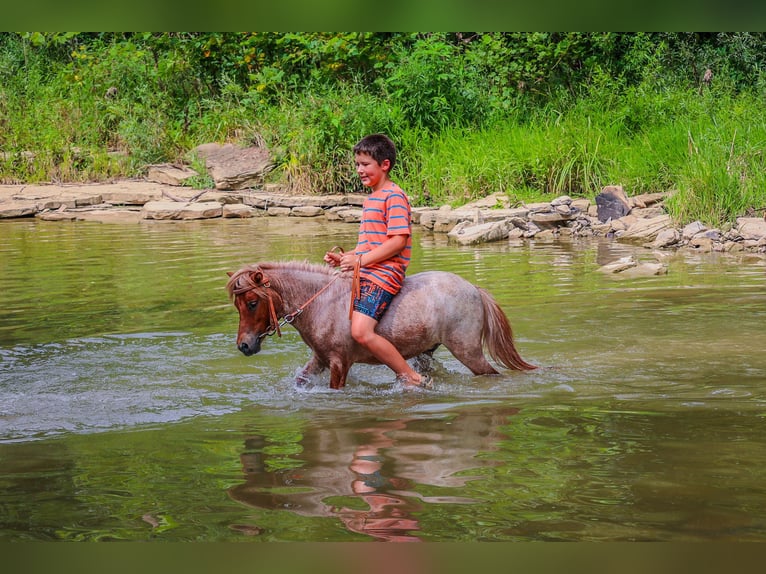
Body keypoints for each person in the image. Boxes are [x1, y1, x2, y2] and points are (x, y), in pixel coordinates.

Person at [324, 134, 432, 389]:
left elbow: (397, 241)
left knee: (360, 332)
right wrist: (346, 257)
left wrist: (359, 262)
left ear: (385, 165)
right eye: (358, 164)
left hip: (385, 272)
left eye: (365, 164)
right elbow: (370, 245)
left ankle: (411, 377)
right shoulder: (372, 198)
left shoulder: (393, 196)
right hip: (370, 268)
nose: (360, 170)